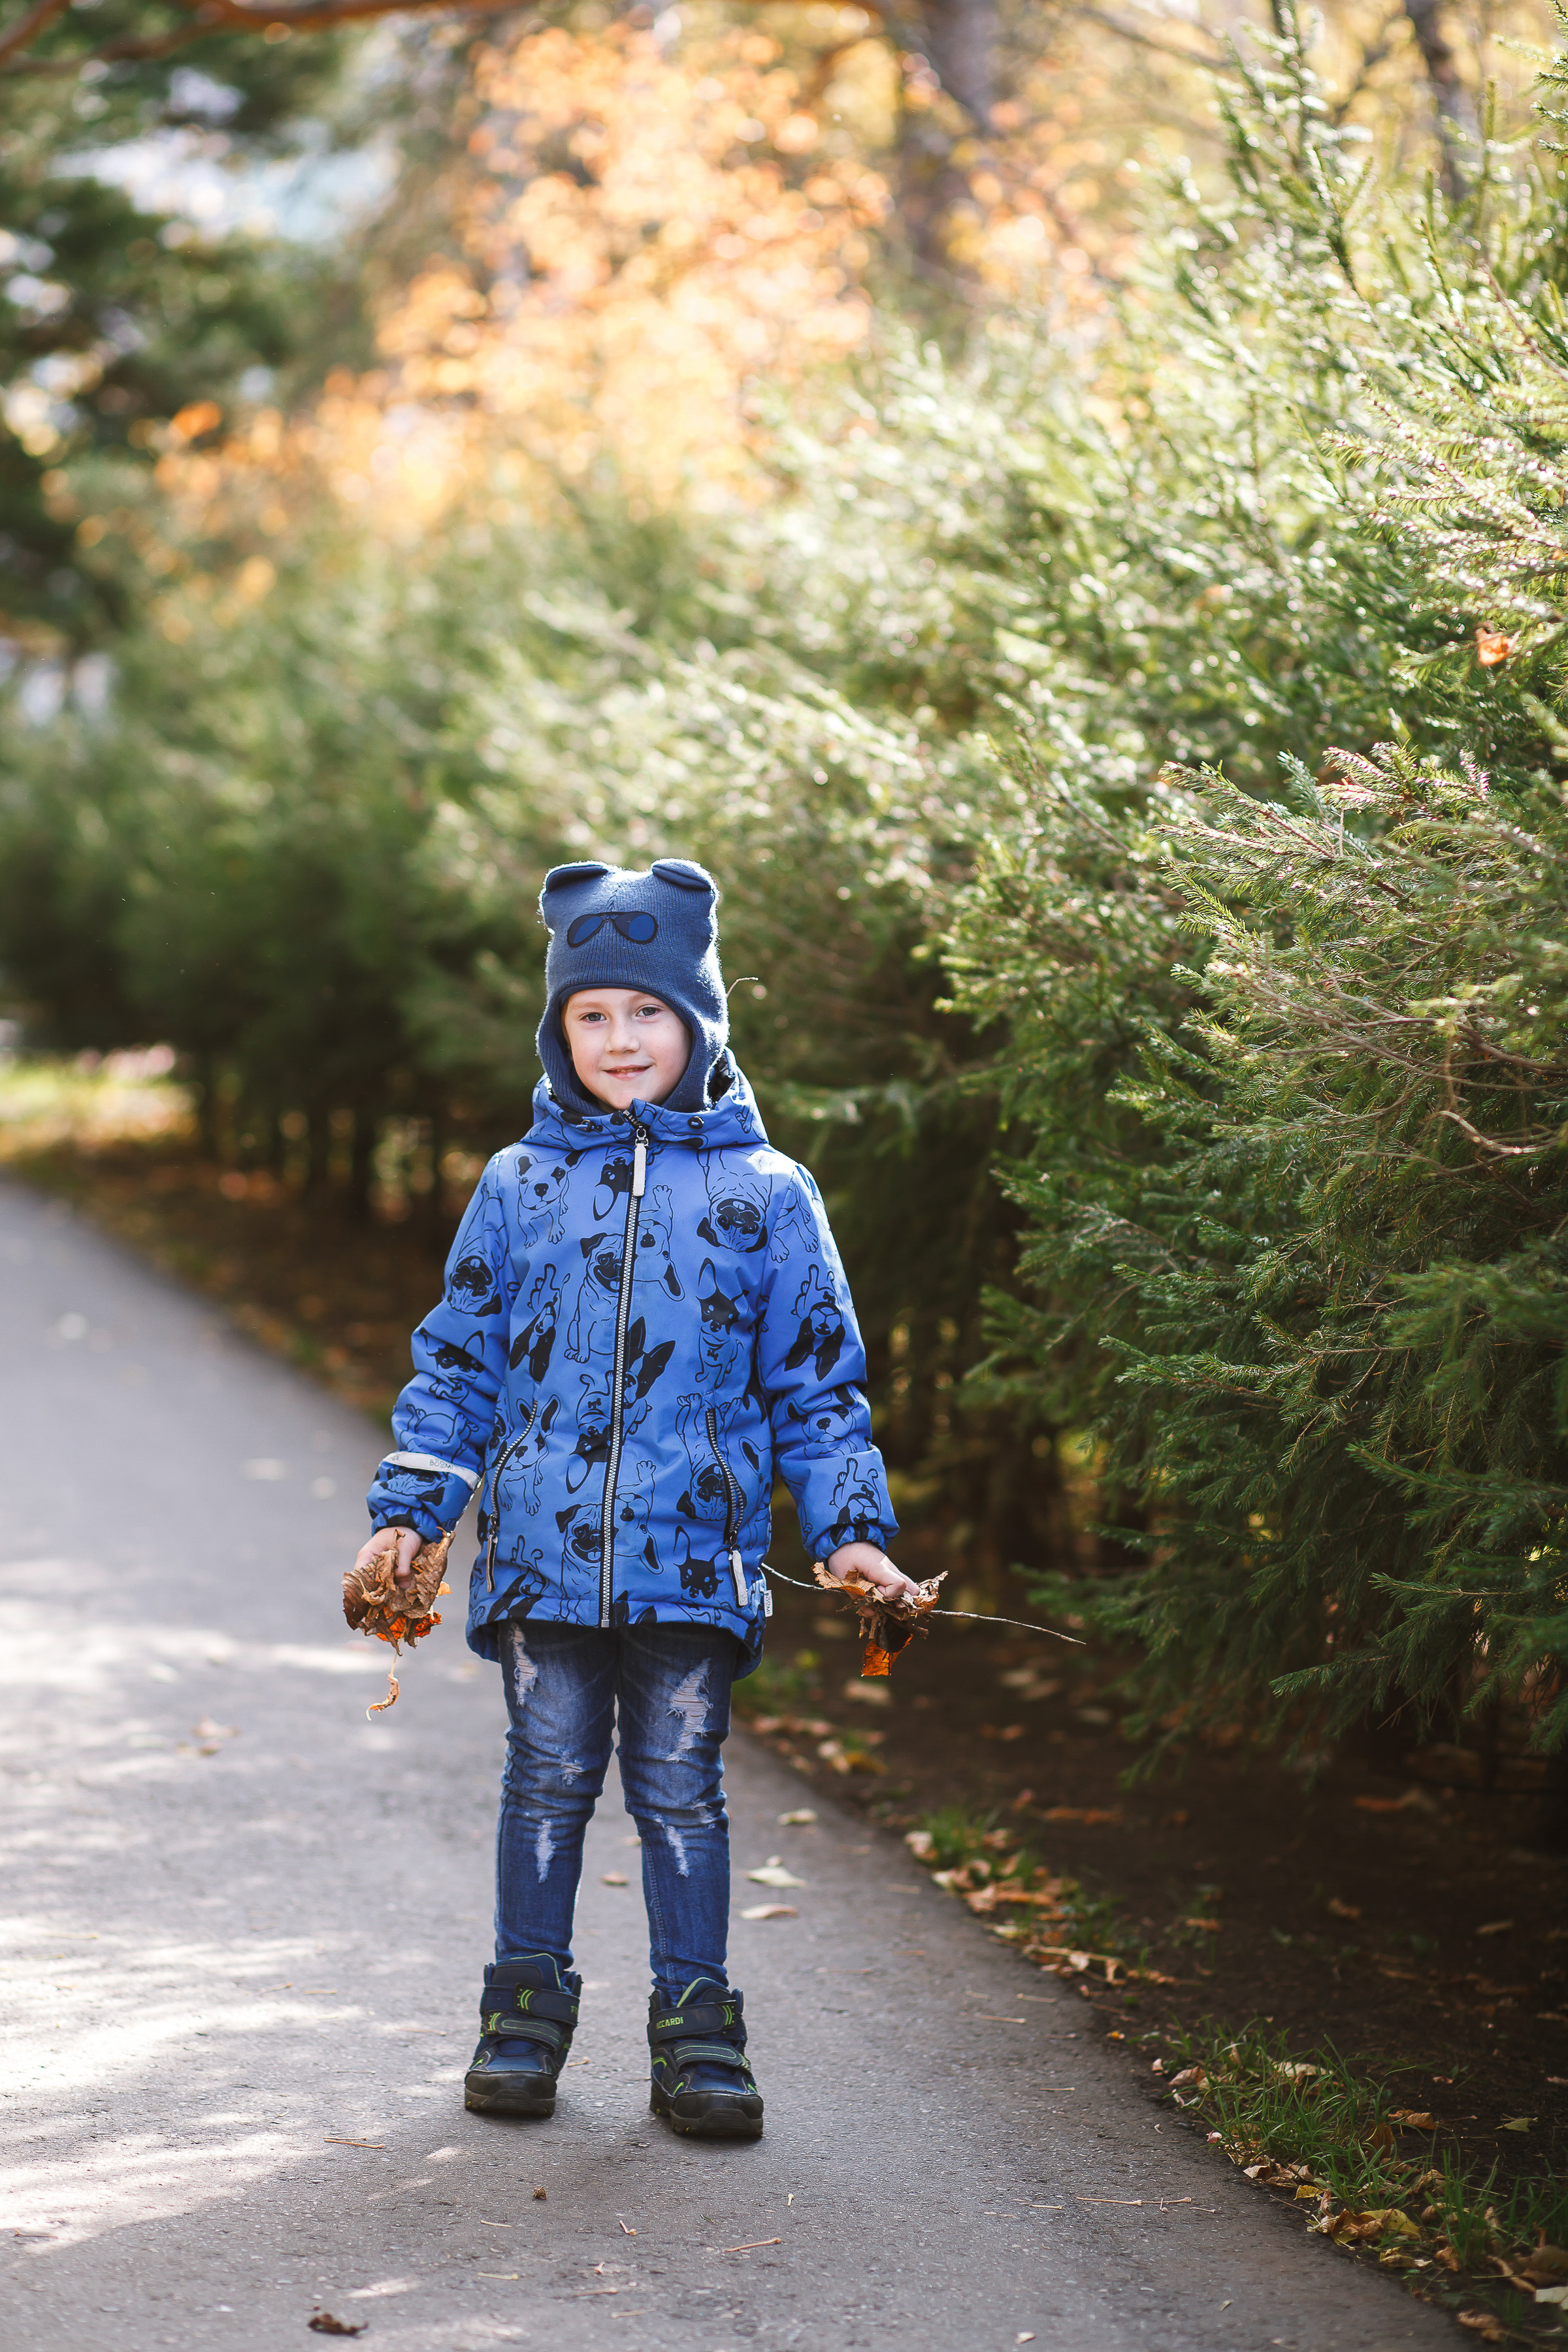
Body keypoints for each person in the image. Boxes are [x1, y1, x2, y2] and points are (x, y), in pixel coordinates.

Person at [354, 857, 916, 2141]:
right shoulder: (519, 1184)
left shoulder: (768, 1193)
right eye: (591, 1014)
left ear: (698, 1023)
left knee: (679, 1790)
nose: (620, 1038)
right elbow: (460, 1365)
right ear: (558, 1033)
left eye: (647, 1011)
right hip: (542, 1558)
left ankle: (698, 2033)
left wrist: (850, 1536)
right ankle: (523, 2014)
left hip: (694, 1560)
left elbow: (819, 1383)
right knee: (547, 1777)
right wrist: (413, 1510)